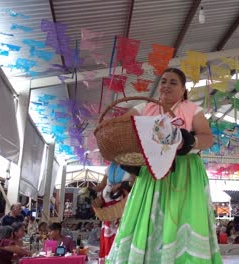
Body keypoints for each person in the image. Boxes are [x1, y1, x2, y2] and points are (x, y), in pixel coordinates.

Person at [106, 68, 222, 263]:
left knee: (182, 215)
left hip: (185, 173)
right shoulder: (145, 108)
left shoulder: (193, 110)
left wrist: (189, 141)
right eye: (164, 81)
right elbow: (118, 126)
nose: (166, 85)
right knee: (148, 215)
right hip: (151, 172)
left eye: (173, 82)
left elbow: (207, 138)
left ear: (183, 89)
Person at [93, 162, 135, 263]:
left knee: (121, 235)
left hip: (123, 204)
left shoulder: (130, 165)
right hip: (108, 208)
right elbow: (101, 185)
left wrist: (121, 185)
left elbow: (135, 182)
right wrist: (90, 190)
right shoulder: (109, 168)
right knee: (108, 238)